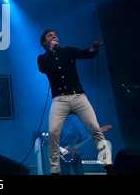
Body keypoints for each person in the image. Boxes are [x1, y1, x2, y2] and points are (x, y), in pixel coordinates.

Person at [37, 29, 116, 175]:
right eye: (49, 35)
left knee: (95, 128)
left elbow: (87, 53)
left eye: (55, 34)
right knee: (53, 132)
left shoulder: (68, 51)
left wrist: (94, 49)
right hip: (59, 99)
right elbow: (42, 68)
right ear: (44, 42)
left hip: (78, 96)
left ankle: (109, 167)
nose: (54, 36)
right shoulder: (43, 57)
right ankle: (55, 171)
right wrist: (51, 50)